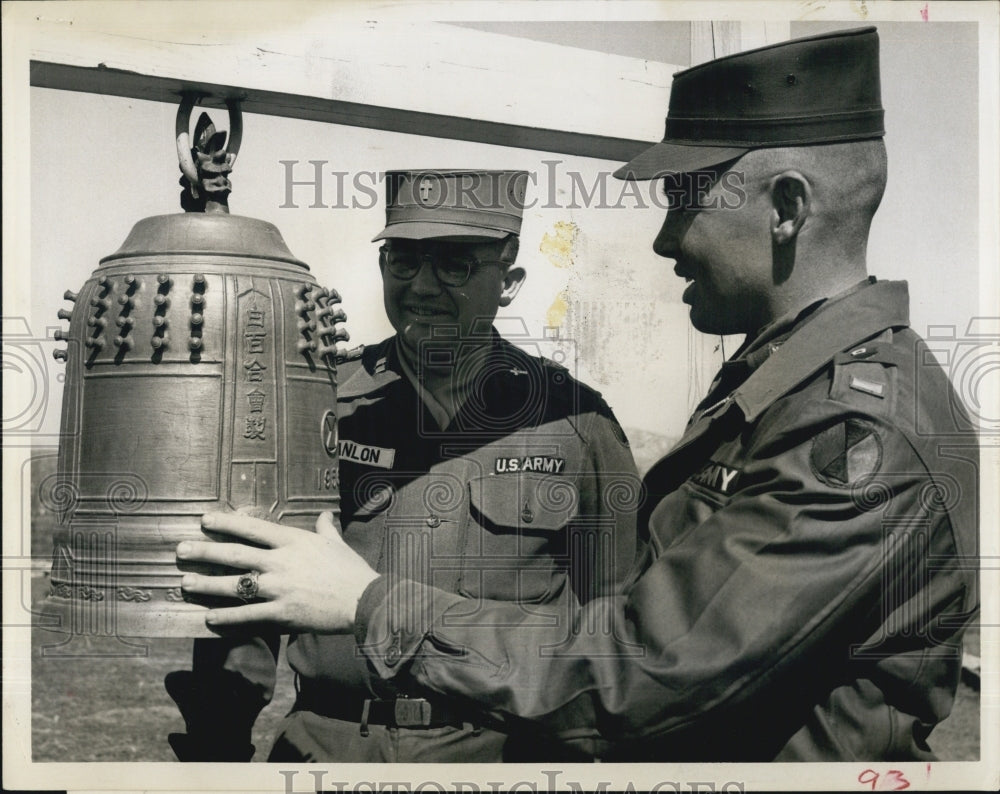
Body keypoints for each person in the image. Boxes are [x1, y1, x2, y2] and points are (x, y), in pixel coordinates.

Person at [179, 27, 979, 760]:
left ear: (788, 209)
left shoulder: (851, 428)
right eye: (404, 259)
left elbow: (636, 661)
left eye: (686, 199)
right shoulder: (775, 393)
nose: (665, 238)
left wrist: (367, 603)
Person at [167, 169, 640, 762]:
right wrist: (216, 747)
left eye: (454, 265)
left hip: (502, 752)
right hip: (328, 747)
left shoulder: (572, 422)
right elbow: (248, 586)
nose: (421, 285)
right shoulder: (317, 401)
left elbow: (618, 616)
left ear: (510, 282)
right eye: (404, 261)